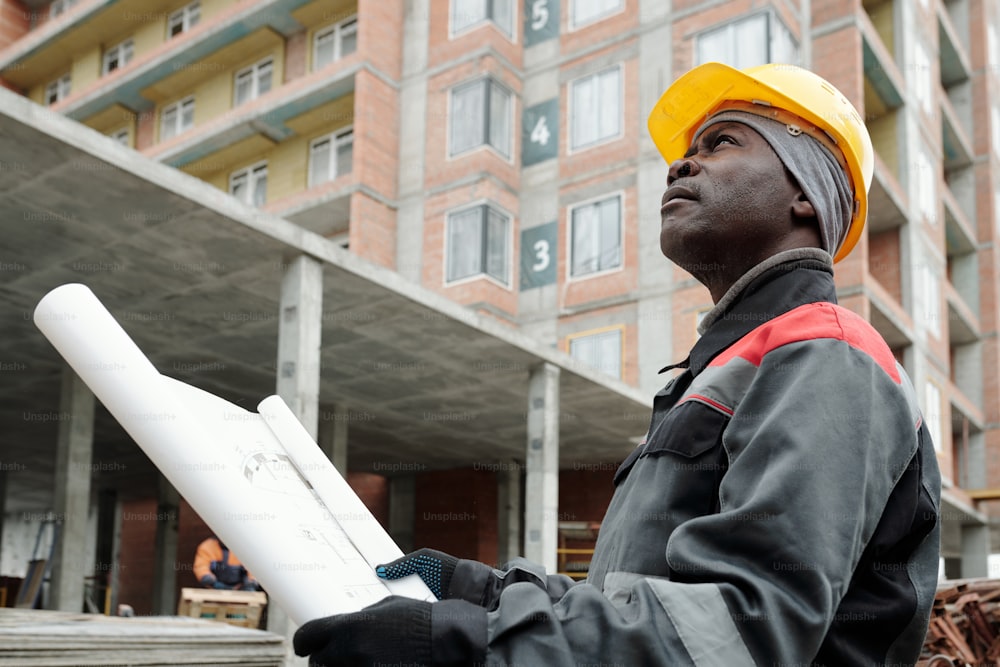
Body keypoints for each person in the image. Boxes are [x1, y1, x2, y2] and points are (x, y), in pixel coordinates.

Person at [292, 62, 942, 666]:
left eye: (720, 144)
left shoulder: (827, 356)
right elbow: (640, 596)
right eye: (687, 152)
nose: (681, 167)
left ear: (806, 195)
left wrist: (473, 644)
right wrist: (483, 589)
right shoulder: (721, 370)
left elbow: (740, 628)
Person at [193, 534, 259, 591]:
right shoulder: (207, 546)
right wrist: (208, 578)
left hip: (240, 589)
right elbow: (201, 567)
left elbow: (253, 571)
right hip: (214, 589)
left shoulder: (245, 548)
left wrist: (251, 581)